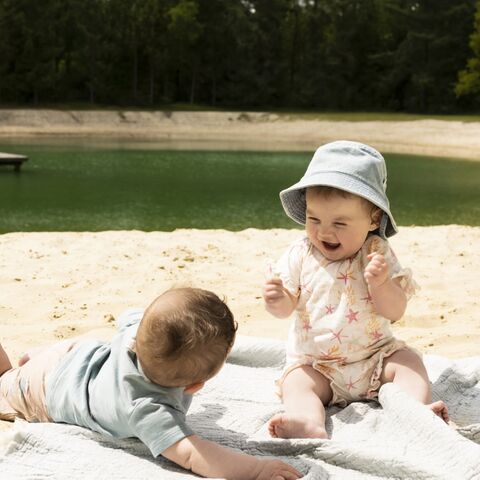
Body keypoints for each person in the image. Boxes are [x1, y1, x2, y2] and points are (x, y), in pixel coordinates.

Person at [0, 287, 302, 480]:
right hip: (45, 389)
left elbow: (134, 316)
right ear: (195, 386)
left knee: (23, 369)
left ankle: (31, 359)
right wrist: (256, 469)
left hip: (71, 354)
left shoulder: (136, 331)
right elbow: (194, 454)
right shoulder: (149, 409)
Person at [263, 140, 449, 439]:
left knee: (409, 363)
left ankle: (417, 409)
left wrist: (381, 284)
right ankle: (308, 421)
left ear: (373, 219)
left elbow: (395, 311)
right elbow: (286, 308)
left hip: (376, 358)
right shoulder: (300, 253)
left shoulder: (377, 252)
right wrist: (277, 299)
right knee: (296, 383)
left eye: (340, 222)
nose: (324, 231)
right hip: (318, 365)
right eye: (314, 219)